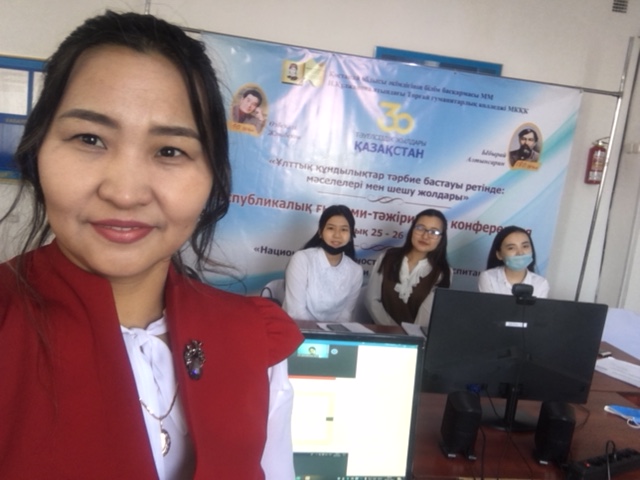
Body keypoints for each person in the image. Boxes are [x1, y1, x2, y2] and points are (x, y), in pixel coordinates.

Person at [0, 11, 302, 480]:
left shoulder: (252, 341)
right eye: (89, 138)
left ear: (212, 175)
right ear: (37, 150)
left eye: (169, 150)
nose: (124, 193)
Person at [364, 209, 452, 327]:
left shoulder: (443, 272)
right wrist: (392, 330)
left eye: (434, 232)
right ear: (412, 230)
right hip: (381, 331)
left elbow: (426, 316)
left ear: (442, 238)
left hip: (416, 336)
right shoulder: (388, 257)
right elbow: (371, 300)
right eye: (420, 228)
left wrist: (409, 335)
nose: (425, 236)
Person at [282, 205, 363, 322]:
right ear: (320, 232)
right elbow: (296, 311)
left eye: (344, 230)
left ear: (351, 236)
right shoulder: (302, 259)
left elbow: (346, 313)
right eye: (331, 228)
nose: (337, 235)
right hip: (297, 329)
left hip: (334, 332)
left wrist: (333, 332)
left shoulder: (356, 271)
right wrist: (317, 332)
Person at [478, 225, 550, 298]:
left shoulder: (541, 284)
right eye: (511, 248)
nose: (520, 253)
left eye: (525, 246)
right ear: (499, 254)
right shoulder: (488, 278)